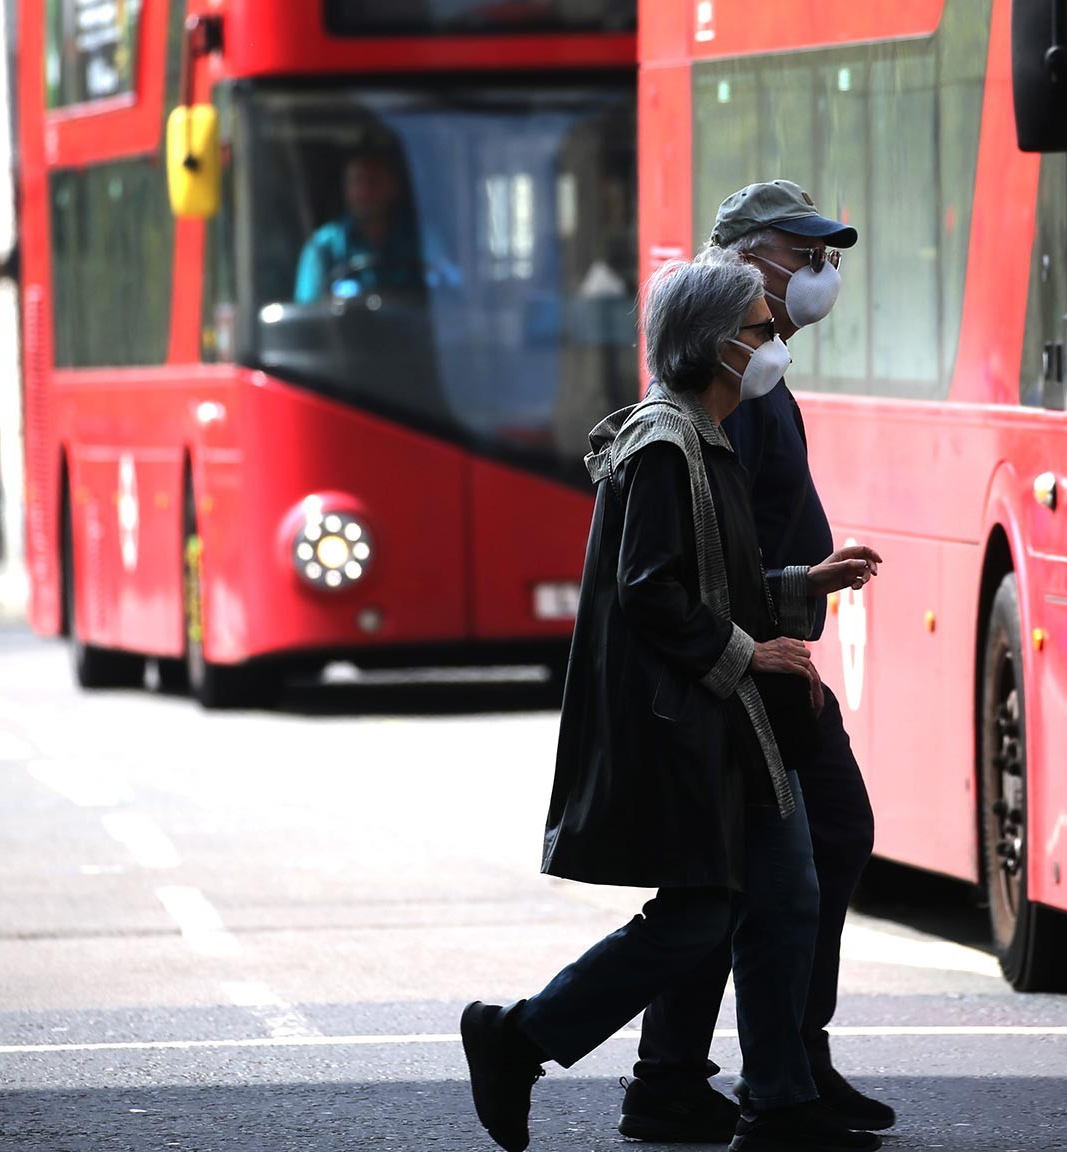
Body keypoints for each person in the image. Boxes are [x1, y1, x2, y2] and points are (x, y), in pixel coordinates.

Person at [460, 257, 886, 1152]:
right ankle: (520, 1038)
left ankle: (779, 1102)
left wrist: (801, 584)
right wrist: (749, 650)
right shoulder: (666, 445)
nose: (774, 347)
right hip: (692, 726)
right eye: (760, 332)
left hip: (733, 724)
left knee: (782, 899)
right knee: (705, 913)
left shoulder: (706, 438)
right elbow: (652, 591)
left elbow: (713, 578)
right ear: (711, 345)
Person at [615, 179, 896, 1144]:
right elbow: (681, 562)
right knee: (784, 862)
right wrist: (762, 629)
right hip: (747, 666)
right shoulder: (720, 383)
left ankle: (691, 1077)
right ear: (738, 257)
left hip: (768, 651)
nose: (818, 271)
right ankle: (777, 1075)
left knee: (733, 878)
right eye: (798, 251)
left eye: (825, 254)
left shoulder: (765, 371)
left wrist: (801, 587)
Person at [293, 148, 425, 303]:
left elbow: (448, 291)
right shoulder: (323, 246)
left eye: (373, 181)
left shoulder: (422, 240)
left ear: (393, 187)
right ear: (345, 189)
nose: (365, 191)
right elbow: (308, 311)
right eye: (357, 181)